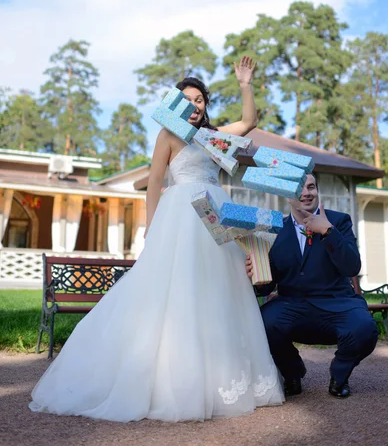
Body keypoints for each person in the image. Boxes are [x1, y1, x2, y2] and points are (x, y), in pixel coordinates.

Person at [29, 56, 284, 422]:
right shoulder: (168, 135)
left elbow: (249, 121)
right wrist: (151, 225)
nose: (194, 105)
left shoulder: (214, 139)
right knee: (177, 289)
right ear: (174, 104)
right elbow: (153, 183)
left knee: (221, 290)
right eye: (187, 99)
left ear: (205, 106)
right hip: (181, 214)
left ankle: (224, 377)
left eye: (200, 100)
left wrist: (245, 83)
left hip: (218, 216)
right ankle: (174, 378)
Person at [246, 173, 378, 399]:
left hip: (338, 305)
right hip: (292, 306)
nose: (306, 193)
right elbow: (267, 287)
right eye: (299, 188)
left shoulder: (338, 221)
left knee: (365, 328)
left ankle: (339, 375)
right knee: (264, 322)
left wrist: (328, 231)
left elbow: (351, 267)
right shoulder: (273, 229)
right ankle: (292, 374)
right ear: (287, 196)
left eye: (311, 187)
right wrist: (254, 274)